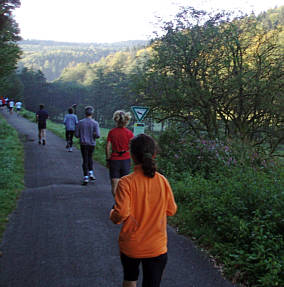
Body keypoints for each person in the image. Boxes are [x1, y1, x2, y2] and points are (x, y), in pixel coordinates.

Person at [110, 134, 177, 287]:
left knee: (130, 278)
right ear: (154, 154)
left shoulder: (125, 183)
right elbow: (171, 210)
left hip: (131, 245)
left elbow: (121, 213)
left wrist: (112, 214)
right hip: (156, 247)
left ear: (132, 155)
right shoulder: (162, 181)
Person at [106, 110, 134, 197]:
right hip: (126, 160)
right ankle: (123, 205)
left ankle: (117, 204)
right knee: (125, 185)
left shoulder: (112, 132)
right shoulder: (129, 133)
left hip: (114, 160)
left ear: (116, 120)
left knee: (115, 186)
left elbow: (107, 147)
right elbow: (132, 147)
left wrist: (108, 159)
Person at [75, 106, 100, 185]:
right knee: (90, 158)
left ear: (85, 113)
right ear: (92, 113)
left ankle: (85, 177)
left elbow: (76, 135)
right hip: (92, 143)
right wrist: (94, 135)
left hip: (83, 143)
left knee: (85, 159)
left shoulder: (80, 122)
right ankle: (91, 173)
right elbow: (98, 135)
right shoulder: (95, 123)